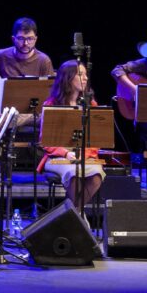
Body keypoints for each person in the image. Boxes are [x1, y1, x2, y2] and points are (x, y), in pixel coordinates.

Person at [37, 60, 105, 216]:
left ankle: (73, 215)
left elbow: (96, 140)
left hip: (85, 156)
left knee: (96, 175)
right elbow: (46, 142)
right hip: (57, 157)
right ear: (68, 78)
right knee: (73, 173)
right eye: (80, 74)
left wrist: (84, 155)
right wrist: (66, 153)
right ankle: (79, 219)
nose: (85, 78)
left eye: (86, 74)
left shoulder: (91, 104)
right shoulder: (52, 104)